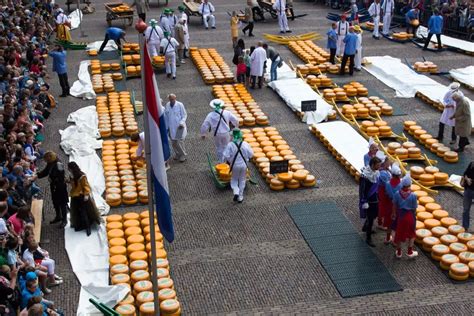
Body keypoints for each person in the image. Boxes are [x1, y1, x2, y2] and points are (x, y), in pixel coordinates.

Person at [67, 162, 101, 236]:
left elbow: (86, 186)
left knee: (84, 212)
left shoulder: (82, 176)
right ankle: (80, 225)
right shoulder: (71, 175)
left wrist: (86, 195)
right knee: (76, 212)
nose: (68, 170)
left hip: (81, 196)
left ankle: (87, 227)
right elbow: (73, 184)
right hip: (74, 196)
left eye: (69, 168)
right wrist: (68, 181)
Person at [37, 151, 68, 227]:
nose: (46, 161)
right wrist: (38, 175)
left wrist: (52, 179)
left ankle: (64, 219)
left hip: (60, 187)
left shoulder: (59, 164)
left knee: (62, 203)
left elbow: (61, 177)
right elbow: (46, 171)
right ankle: (58, 216)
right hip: (54, 186)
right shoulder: (50, 163)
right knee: (55, 201)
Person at [223, 128, 254, 203]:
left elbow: (225, 155)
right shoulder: (245, 144)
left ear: (233, 136)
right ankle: (240, 196)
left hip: (235, 165)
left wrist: (229, 160)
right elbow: (251, 154)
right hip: (244, 165)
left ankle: (236, 192)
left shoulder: (230, 145)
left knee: (234, 179)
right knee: (242, 180)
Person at [392, 173, 418, 258]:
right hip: (410, 216)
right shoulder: (413, 195)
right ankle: (410, 252)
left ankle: (399, 252)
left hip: (401, 216)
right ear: (409, 185)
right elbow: (414, 208)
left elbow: (394, 205)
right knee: (412, 233)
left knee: (399, 233)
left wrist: (394, 214)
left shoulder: (397, 194)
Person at [359, 156, 381, 247]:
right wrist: (364, 201)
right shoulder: (365, 176)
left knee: (375, 214)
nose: (379, 167)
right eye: (378, 165)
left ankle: (365, 226)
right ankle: (368, 238)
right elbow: (362, 190)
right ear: (372, 165)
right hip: (369, 200)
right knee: (371, 218)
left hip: (375, 198)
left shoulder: (376, 173)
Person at [164, 94, 187, 162]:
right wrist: (166, 126)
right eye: (170, 99)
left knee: (179, 142)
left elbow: (184, 115)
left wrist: (181, 122)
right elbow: (166, 115)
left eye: (172, 99)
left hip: (179, 127)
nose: (171, 101)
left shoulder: (180, 105)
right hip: (171, 127)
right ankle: (177, 154)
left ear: (175, 98)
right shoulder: (167, 105)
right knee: (173, 143)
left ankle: (183, 155)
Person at [384, 163, 402, 244]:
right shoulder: (402, 184)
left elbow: (387, 193)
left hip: (389, 205)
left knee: (389, 222)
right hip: (398, 206)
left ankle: (388, 238)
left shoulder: (387, 183)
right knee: (397, 224)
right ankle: (395, 241)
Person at [461, 161, 474, 232]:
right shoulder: (472, 164)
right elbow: (465, 174)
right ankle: (465, 227)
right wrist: (467, 179)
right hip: (468, 190)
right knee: (466, 210)